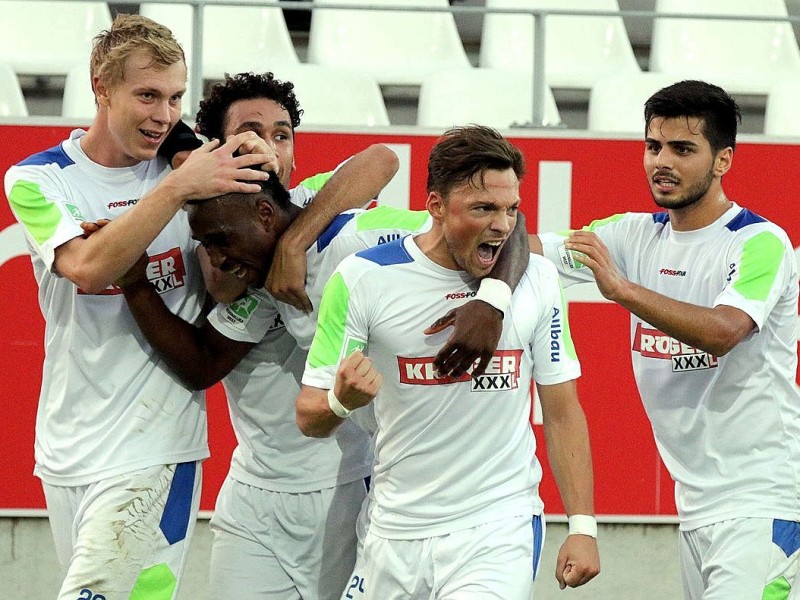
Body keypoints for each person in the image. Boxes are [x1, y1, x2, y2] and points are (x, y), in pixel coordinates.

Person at [111, 72, 516, 598]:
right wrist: (138, 283)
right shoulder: (226, 241)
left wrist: (493, 300)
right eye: (252, 134)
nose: (271, 150)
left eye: (283, 135)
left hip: (351, 489)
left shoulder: (330, 218)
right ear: (216, 153)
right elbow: (204, 361)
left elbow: (390, 163)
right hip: (255, 498)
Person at [1, 14, 274, 600]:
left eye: (175, 98)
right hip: (68, 446)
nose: (163, 115)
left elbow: (252, 251)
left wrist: (259, 165)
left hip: (157, 446)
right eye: (147, 95)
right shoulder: (37, 179)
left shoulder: (198, 169)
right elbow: (87, 267)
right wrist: (175, 189)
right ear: (101, 88)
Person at [296, 125, 601, 599]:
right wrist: (341, 400)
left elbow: (562, 412)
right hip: (392, 531)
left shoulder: (538, 279)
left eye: (511, 209)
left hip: (498, 527)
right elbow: (308, 415)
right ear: (435, 205)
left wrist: (582, 525)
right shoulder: (364, 278)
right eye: (483, 208)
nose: (502, 225)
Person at [531, 80, 800, 599]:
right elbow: (528, 248)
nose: (662, 162)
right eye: (654, 146)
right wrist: (443, 230)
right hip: (697, 506)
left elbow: (725, 331)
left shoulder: (760, 242)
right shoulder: (633, 234)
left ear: (723, 160)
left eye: (683, 149)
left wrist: (622, 290)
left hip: (763, 499)